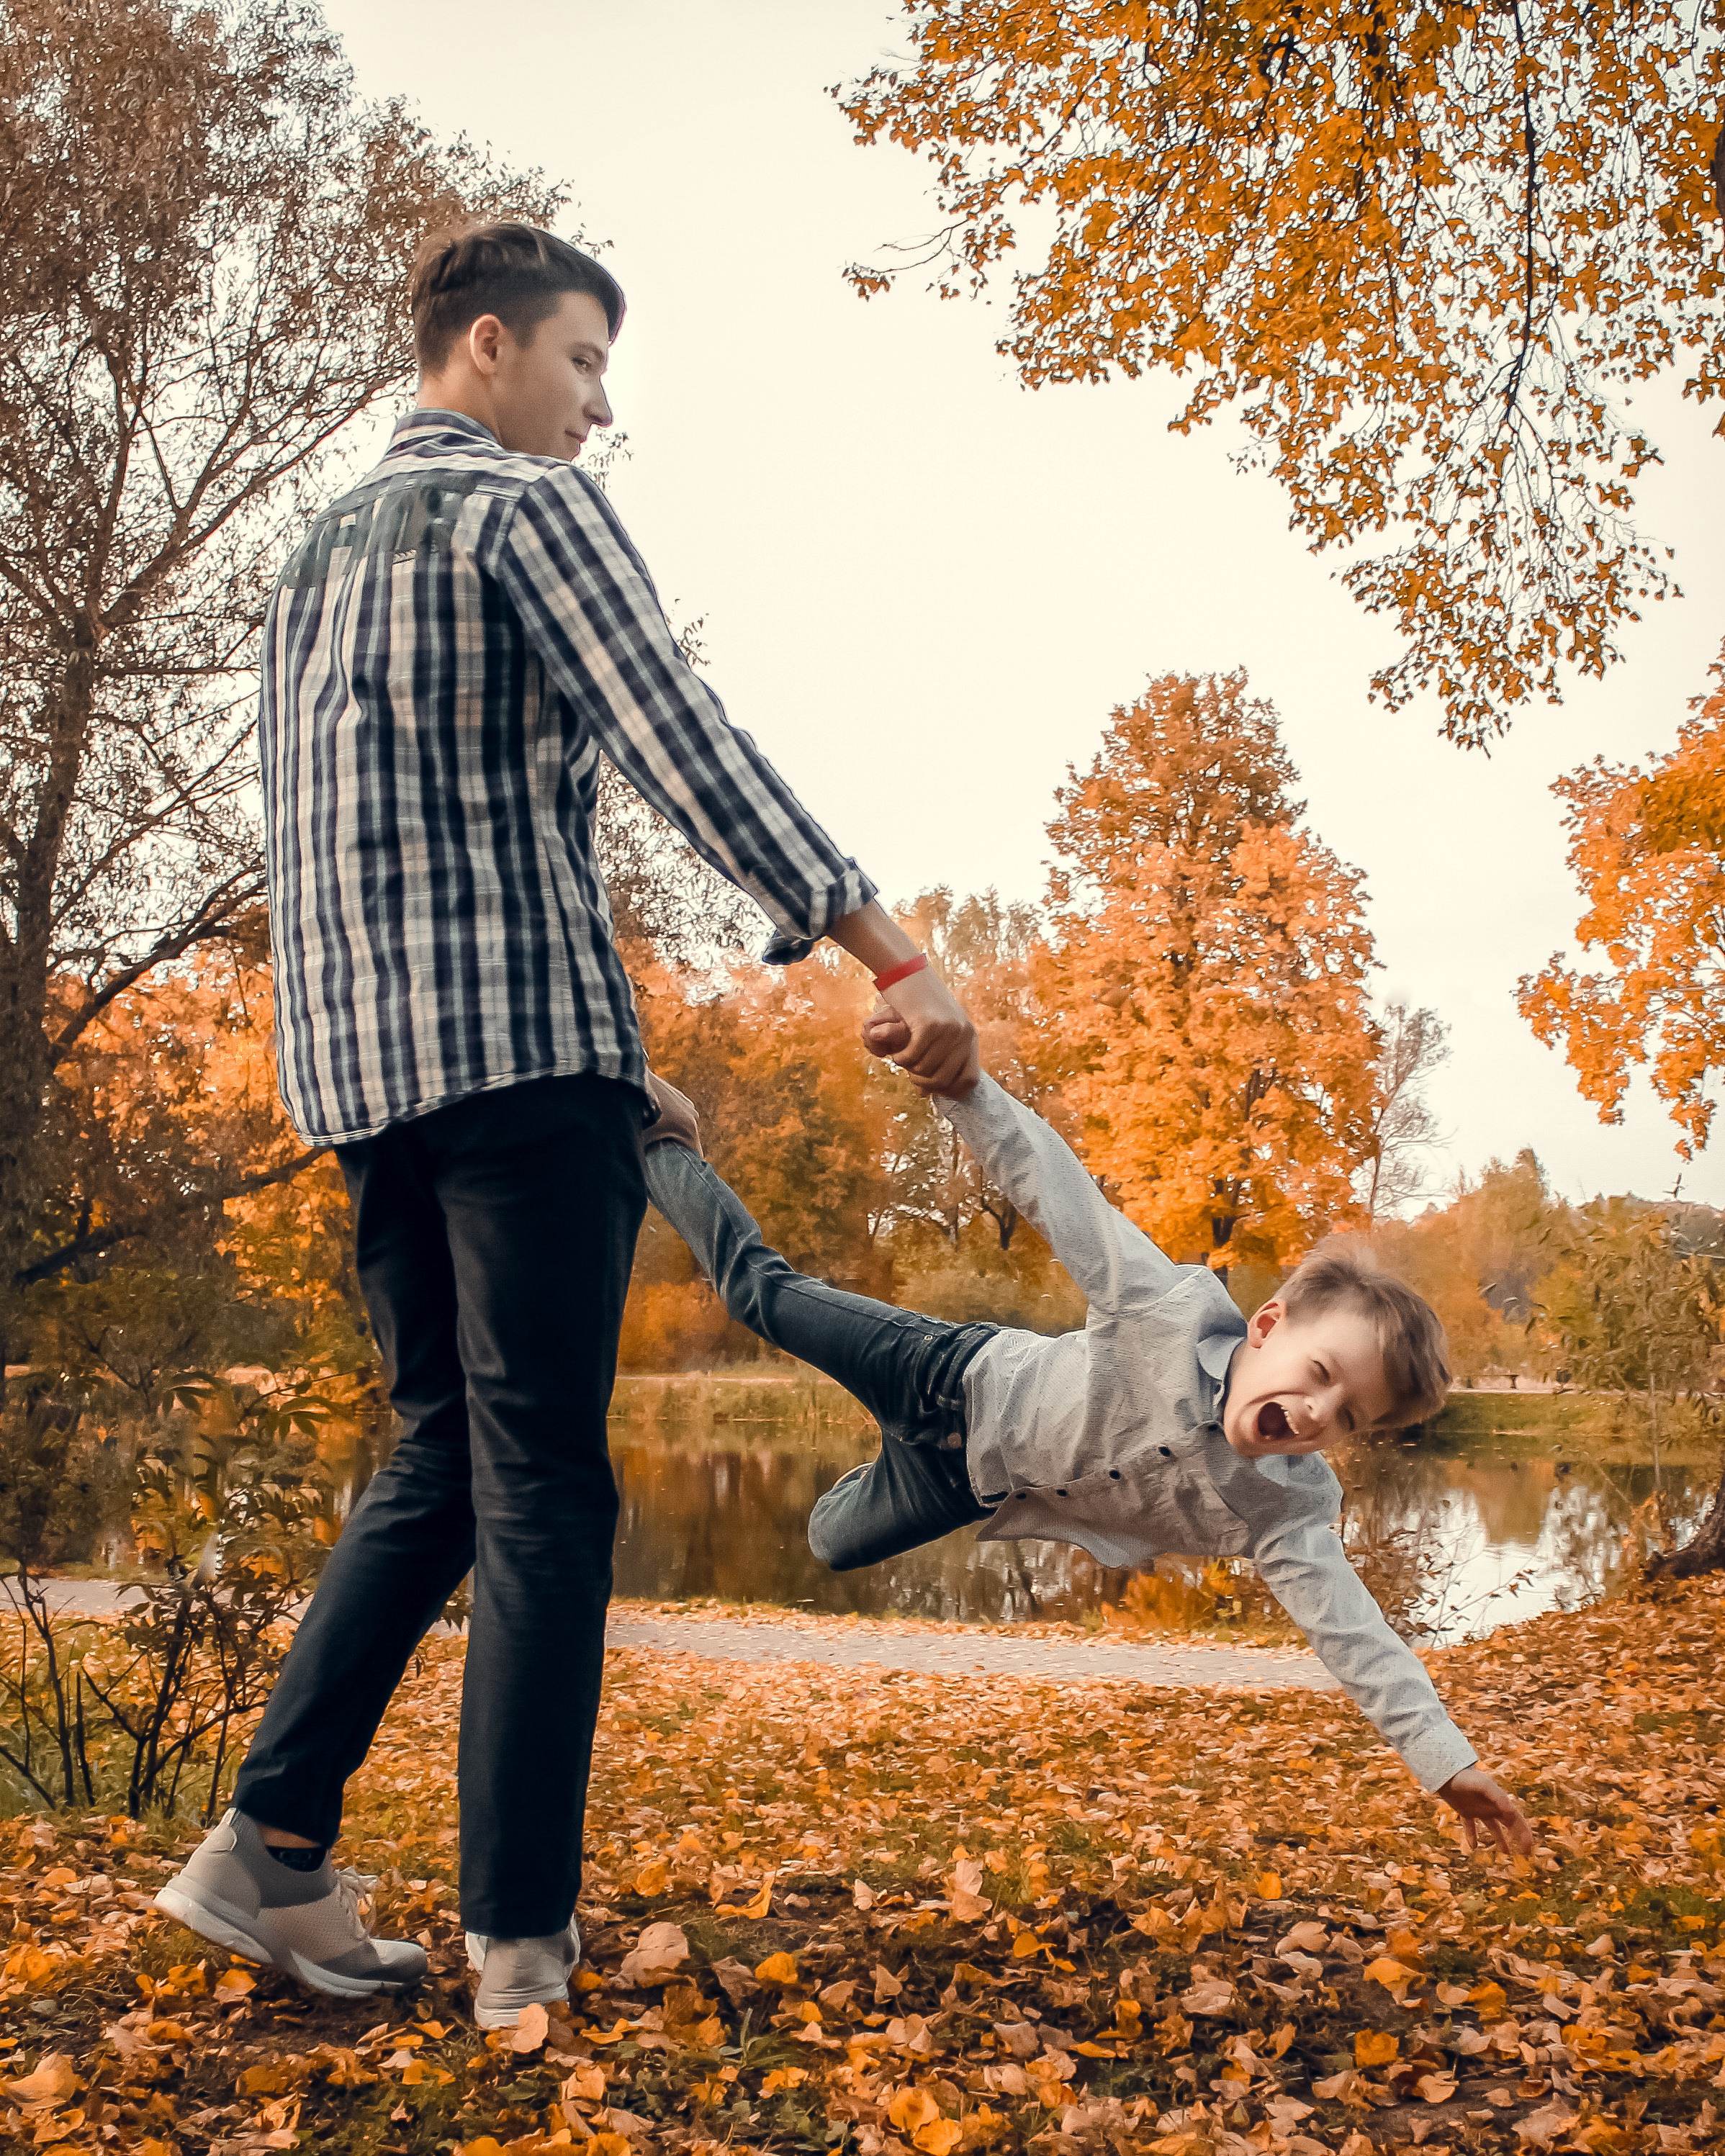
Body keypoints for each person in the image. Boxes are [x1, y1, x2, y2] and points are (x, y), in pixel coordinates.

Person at [155, 222, 978, 2028]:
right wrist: (888, 947)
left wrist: (613, 1062)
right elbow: (684, 734)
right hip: (514, 1071)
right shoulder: (519, 510)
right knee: (543, 1487)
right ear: (486, 349)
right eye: (586, 363)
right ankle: (517, 1932)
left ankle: (266, 1850)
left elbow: (375, 840)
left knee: (445, 1452)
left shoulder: (307, 561)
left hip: (372, 1082)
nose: (601, 406)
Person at [640, 1059, 1535, 1859]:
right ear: (1266, 1328)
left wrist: (1442, 1761)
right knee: (756, 1293)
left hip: (958, 1486)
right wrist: (961, 1087)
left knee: (830, 1541)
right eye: (1319, 1374)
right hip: (944, 1376)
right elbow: (1054, 1187)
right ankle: (660, 1140)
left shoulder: (1284, 1512)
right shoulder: (1164, 1310)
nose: (1315, 1413)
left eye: (1347, 1418)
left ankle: (878, 1459)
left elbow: (1359, 1638)